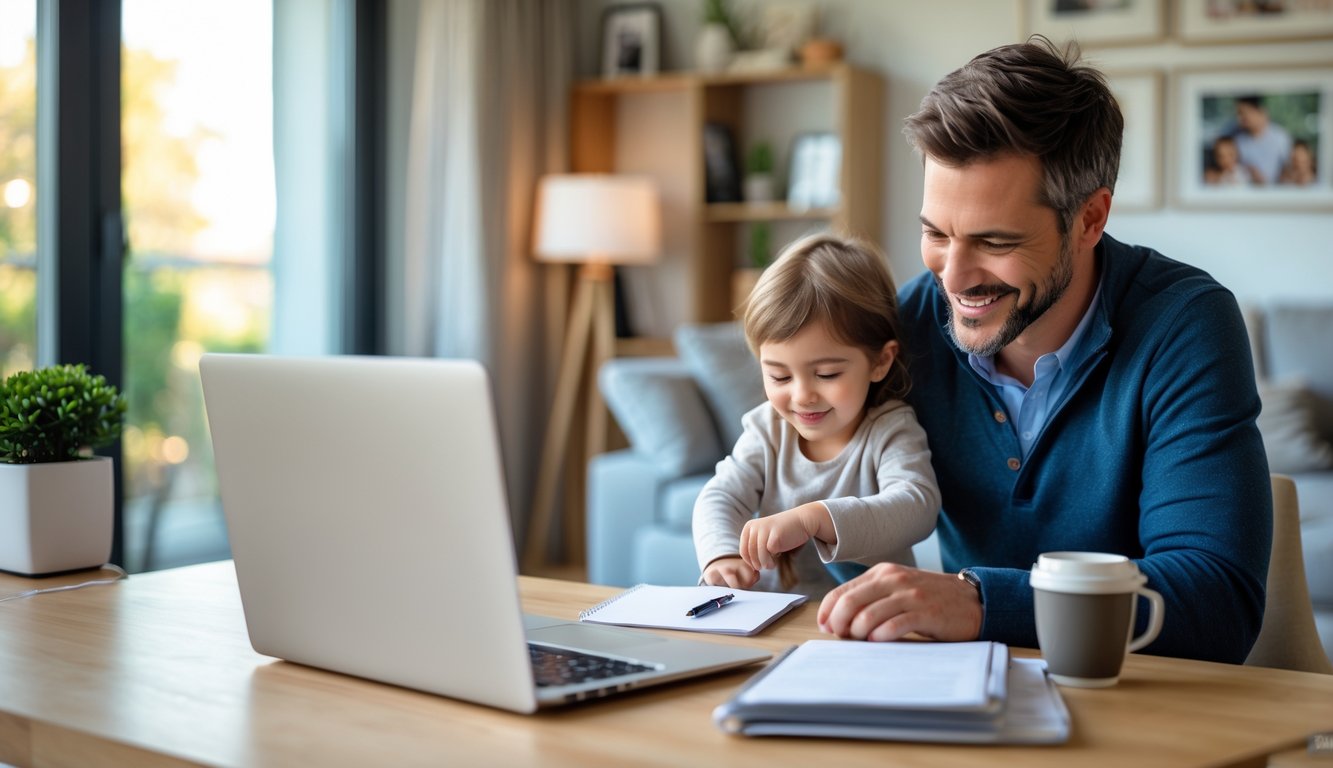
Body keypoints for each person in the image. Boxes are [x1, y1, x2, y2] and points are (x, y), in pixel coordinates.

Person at [817, 37, 1271, 664]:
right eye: (934, 233)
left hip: (1135, 703)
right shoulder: (913, 322)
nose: (952, 277)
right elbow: (823, 482)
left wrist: (979, 602)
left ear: (1089, 219)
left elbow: (1217, 603)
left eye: (994, 241)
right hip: (961, 699)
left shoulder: (1184, 325)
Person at [693, 234, 941, 597]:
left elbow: (916, 506)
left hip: (869, 621)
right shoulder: (767, 430)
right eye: (779, 375)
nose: (802, 395)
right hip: (776, 618)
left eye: (826, 374)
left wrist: (816, 518)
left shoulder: (889, 429)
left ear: (880, 361)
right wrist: (721, 555)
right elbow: (720, 496)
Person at [1232, 95, 1292, 185]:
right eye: (1238, 114)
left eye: (1243, 113)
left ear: (1260, 111)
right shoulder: (1238, 140)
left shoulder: (1281, 138)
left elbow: (1290, 168)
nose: (1240, 119)